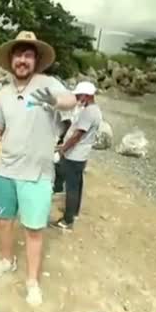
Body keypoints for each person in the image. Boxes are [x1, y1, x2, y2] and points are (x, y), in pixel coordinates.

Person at [0, 31, 77, 306]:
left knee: (33, 229)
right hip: (6, 169)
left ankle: (32, 281)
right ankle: (6, 260)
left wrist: (54, 101)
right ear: (11, 60)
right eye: (18, 55)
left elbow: (71, 100)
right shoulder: (4, 92)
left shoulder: (48, 83)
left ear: (36, 59)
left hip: (37, 173)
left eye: (28, 55)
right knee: (4, 221)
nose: (22, 60)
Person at [54, 81, 102, 230]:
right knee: (78, 183)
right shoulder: (94, 110)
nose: (77, 98)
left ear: (87, 96)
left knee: (72, 186)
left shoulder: (89, 112)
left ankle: (67, 221)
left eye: (79, 95)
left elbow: (77, 135)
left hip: (75, 154)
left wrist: (63, 149)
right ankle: (73, 212)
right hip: (82, 154)